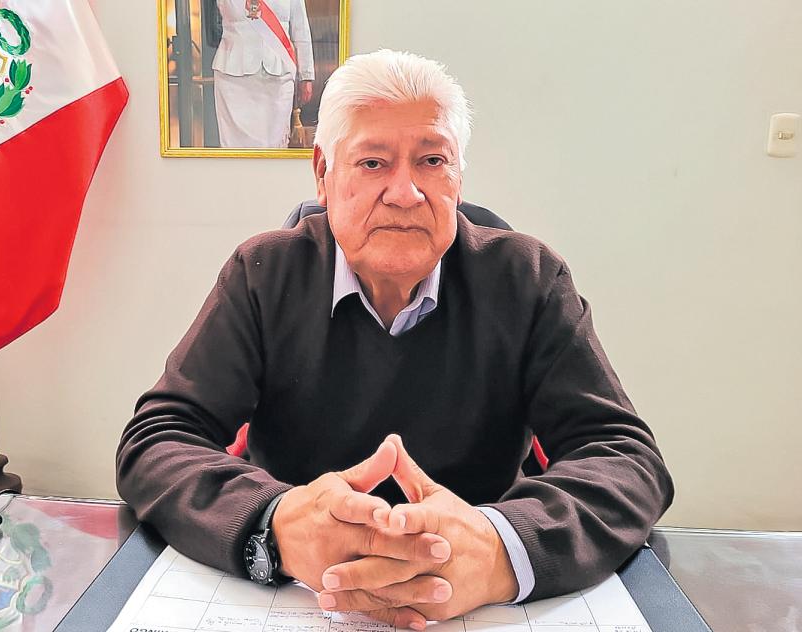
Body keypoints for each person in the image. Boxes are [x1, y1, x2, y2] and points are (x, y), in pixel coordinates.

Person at [117, 49, 674, 628]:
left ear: (458, 177)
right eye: (372, 163)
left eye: (432, 160)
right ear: (323, 174)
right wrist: (275, 522)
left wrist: (500, 547)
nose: (405, 192)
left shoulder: (527, 279)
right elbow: (158, 438)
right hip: (302, 601)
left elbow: (626, 458)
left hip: (472, 606)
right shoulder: (264, 275)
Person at [210, 0, 315, 148]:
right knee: (236, 147)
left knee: (274, 145)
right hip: (233, 76)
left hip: (278, 76)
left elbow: (301, 30)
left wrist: (306, 75)